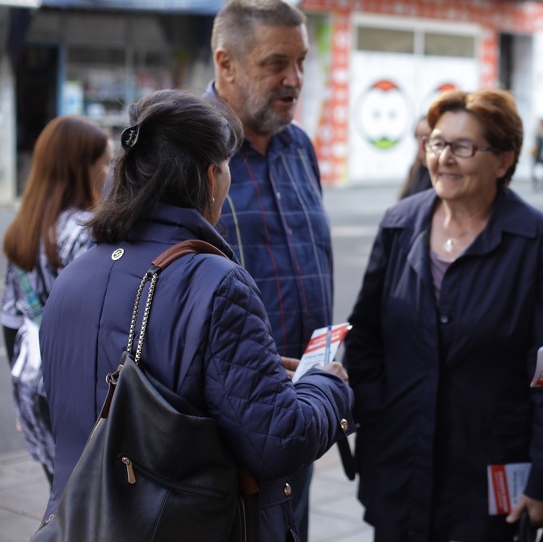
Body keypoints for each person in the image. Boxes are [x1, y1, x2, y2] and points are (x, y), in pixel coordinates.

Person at [37, 90, 354, 542]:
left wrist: (257, 377)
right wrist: (327, 384)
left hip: (75, 524)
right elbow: (278, 441)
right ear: (211, 176)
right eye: (227, 167)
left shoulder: (73, 276)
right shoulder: (217, 283)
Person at [345, 89, 543, 541]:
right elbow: (365, 335)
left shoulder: (535, 240)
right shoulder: (399, 224)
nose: (444, 158)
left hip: (487, 465)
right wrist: (377, 410)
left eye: (462, 147)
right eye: (436, 143)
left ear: (503, 160)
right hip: (401, 458)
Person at [206, 0, 334, 539]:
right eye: (276, 63)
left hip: (296, 412)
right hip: (219, 424)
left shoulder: (299, 147)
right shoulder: (180, 151)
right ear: (226, 63)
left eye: (301, 61)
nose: (295, 78)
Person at [1, 116, 112, 486]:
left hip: (34, 382)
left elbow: (11, 321)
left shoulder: (24, 229)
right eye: (106, 162)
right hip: (79, 391)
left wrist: (23, 397)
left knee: (60, 495)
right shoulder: (88, 232)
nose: (111, 172)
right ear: (83, 168)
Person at [399, 115, 433, 199]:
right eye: (417, 136)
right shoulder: (415, 168)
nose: (421, 141)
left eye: (427, 136)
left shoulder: (439, 172)